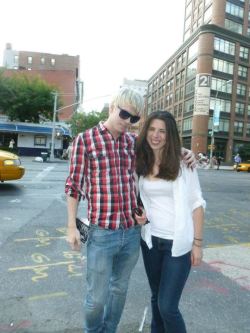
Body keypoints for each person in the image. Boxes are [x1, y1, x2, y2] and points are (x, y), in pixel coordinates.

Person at [65, 89, 196, 333]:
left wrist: (183, 152)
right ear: (111, 107)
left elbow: (159, 147)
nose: (127, 121)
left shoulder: (131, 143)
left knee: (119, 291)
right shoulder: (85, 140)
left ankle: (110, 330)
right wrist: (71, 227)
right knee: (96, 298)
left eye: (134, 118)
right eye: (123, 113)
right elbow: (73, 185)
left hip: (132, 234)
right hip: (101, 233)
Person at [135, 111, 206, 333]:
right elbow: (142, 199)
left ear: (170, 135)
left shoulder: (183, 163)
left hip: (178, 245)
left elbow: (197, 203)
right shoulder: (141, 161)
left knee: (168, 306)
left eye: (162, 131)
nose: (156, 135)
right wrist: (141, 214)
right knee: (156, 298)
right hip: (150, 242)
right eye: (152, 130)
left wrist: (197, 243)